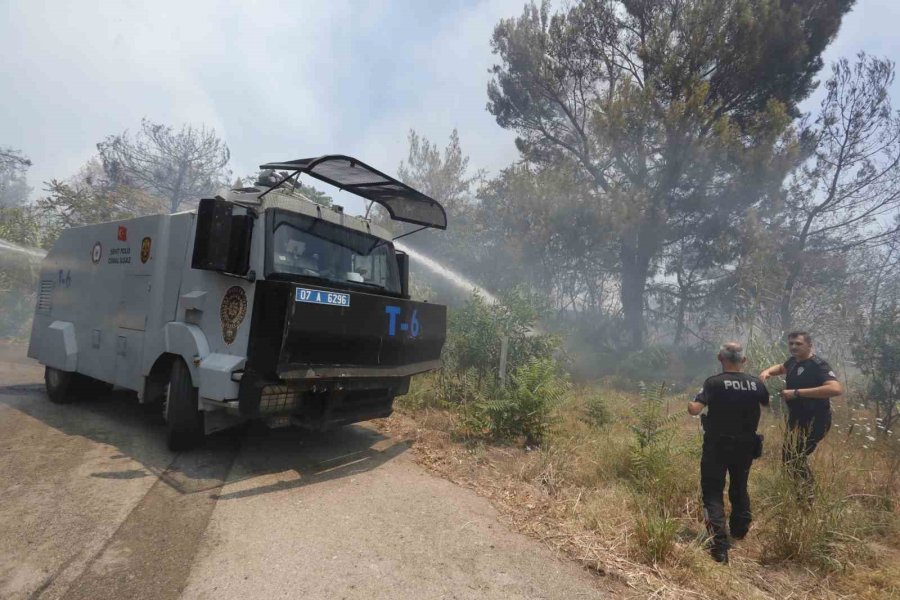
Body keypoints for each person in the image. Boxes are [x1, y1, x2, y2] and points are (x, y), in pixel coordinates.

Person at [688, 342, 769, 564]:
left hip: (717, 445)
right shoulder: (756, 384)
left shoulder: (713, 383)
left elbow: (695, 409)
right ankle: (740, 530)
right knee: (739, 486)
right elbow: (766, 403)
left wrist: (690, 404)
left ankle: (719, 546)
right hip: (745, 446)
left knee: (712, 491)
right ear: (744, 360)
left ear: (719, 358)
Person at [759, 331, 843, 491]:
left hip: (816, 419)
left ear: (809, 345)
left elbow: (835, 388)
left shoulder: (818, 365)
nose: (793, 347)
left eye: (798, 343)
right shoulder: (793, 362)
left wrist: (797, 392)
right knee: (788, 456)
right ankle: (797, 494)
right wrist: (768, 372)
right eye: (791, 343)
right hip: (796, 418)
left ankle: (808, 496)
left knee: (795, 457)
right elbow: (782, 367)